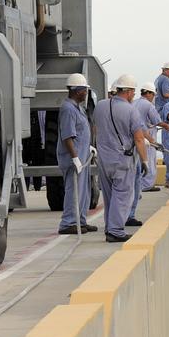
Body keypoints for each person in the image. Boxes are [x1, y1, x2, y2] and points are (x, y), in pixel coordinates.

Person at [92, 73, 148, 242]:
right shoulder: (131, 110)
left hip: (103, 159)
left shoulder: (100, 106)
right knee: (123, 195)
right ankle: (116, 230)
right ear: (129, 91)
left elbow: (95, 129)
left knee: (109, 196)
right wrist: (144, 161)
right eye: (133, 92)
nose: (134, 95)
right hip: (122, 159)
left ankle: (110, 227)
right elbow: (139, 138)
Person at [56, 74, 96, 234]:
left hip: (83, 156)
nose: (86, 93)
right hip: (75, 159)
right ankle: (68, 223)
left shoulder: (77, 108)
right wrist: (75, 157)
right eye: (84, 90)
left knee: (84, 191)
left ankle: (81, 220)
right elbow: (67, 136)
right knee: (74, 191)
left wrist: (89, 148)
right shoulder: (67, 109)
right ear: (76, 91)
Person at [127, 82, 165, 226]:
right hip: (145, 138)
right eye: (153, 94)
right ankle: (146, 186)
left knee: (136, 168)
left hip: (133, 142)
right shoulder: (149, 106)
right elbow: (156, 121)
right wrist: (164, 127)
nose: (154, 97)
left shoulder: (134, 103)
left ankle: (141, 188)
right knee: (147, 162)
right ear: (149, 93)